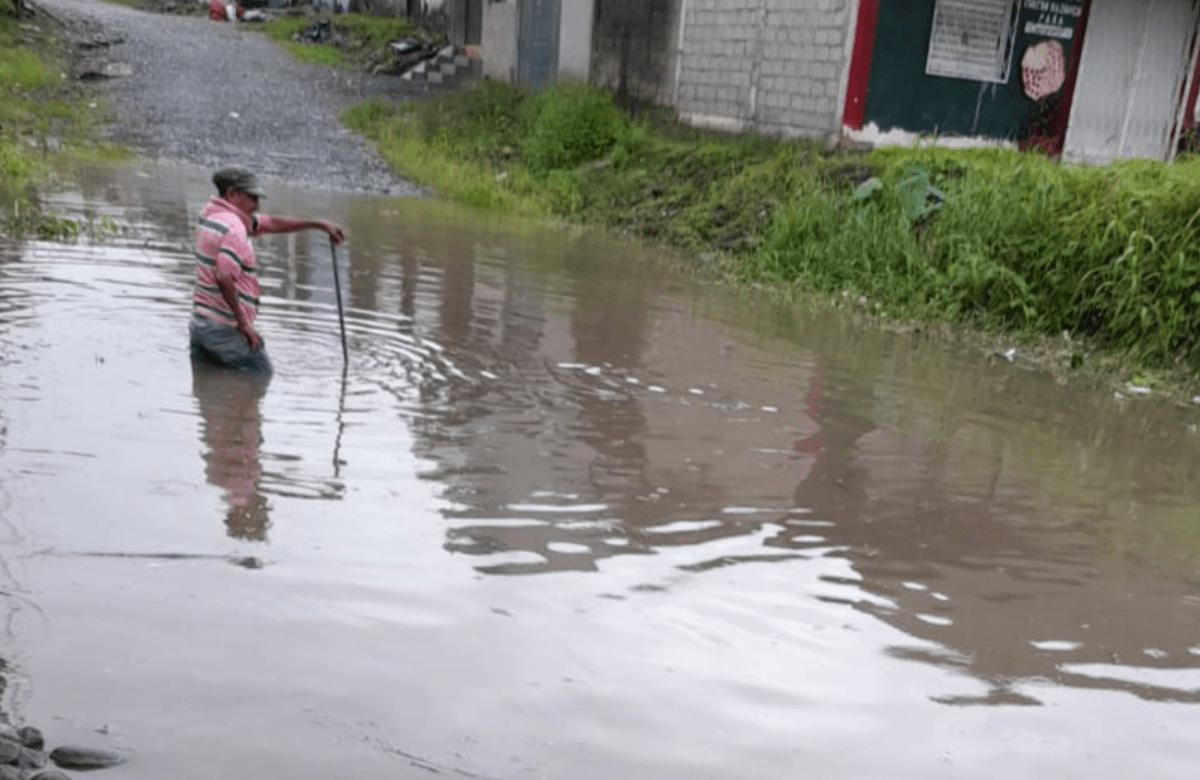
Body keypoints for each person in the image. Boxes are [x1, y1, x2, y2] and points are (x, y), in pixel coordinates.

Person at [190, 167, 344, 376]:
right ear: (232, 194)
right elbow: (224, 276)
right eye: (252, 197)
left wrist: (318, 224)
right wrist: (244, 324)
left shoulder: (210, 213)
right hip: (223, 329)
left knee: (208, 391)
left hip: (200, 326)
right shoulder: (235, 228)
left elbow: (270, 223)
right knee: (261, 378)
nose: (257, 205)